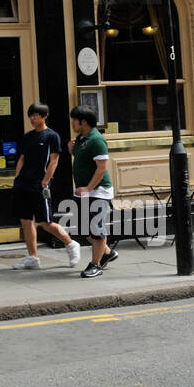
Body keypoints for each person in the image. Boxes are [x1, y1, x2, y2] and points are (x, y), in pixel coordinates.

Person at [11, 102, 81, 270]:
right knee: (26, 221)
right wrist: (17, 178)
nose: (32, 118)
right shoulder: (28, 136)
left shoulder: (52, 136)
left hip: (39, 185)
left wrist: (45, 181)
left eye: (36, 115)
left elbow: (54, 160)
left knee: (45, 222)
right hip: (23, 184)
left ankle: (71, 244)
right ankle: (32, 257)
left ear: (44, 116)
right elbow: (22, 158)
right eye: (31, 115)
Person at [68, 105, 117, 278]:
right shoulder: (81, 138)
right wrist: (71, 151)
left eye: (74, 120)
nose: (72, 123)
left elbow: (101, 168)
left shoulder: (97, 140)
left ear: (84, 122)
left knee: (96, 228)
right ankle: (108, 252)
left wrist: (89, 188)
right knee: (82, 228)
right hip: (84, 191)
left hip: (98, 192)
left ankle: (95, 265)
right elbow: (84, 161)